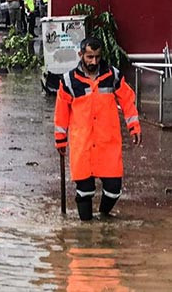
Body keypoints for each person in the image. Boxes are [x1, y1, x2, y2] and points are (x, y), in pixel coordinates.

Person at [54, 37, 142, 221]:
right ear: (81, 55)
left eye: (97, 57)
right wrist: (60, 139)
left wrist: (134, 126)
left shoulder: (112, 76)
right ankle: (85, 234)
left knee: (113, 190)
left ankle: (103, 218)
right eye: (90, 57)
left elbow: (127, 100)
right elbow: (61, 113)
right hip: (82, 145)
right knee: (85, 191)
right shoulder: (69, 81)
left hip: (107, 143)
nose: (94, 61)